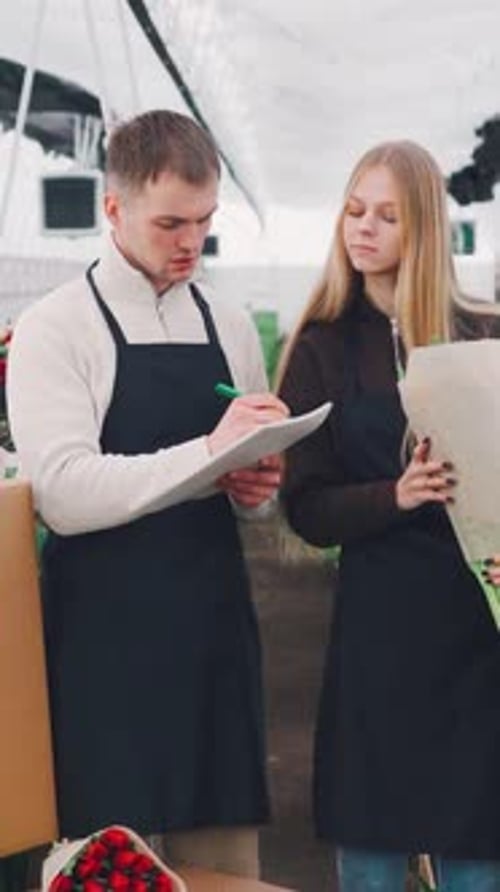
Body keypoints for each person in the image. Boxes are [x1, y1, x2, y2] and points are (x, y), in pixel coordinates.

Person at [7, 109, 289, 878]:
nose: (190, 242)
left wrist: (254, 484)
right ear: (113, 210)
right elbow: (63, 492)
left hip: (211, 635)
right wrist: (209, 450)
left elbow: (247, 498)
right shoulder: (53, 329)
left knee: (225, 866)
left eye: (203, 221)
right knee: (109, 864)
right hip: (104, 649)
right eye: (169, 222)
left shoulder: (226, 323)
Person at [277, 140, 500, 891]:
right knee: (370, 854)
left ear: (425, 232)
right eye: (353, 209)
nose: (362, 229)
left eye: (386, 216)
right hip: (378, 633)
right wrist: (394, 496)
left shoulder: (484, 335)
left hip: (475, 627)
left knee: (477, 851)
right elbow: (305, 508)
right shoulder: (321, 348)